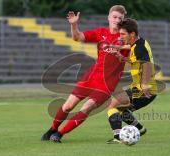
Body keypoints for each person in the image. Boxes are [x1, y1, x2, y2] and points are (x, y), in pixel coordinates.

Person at [41, 5, 128, 143]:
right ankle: (52, 129)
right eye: (114, 17)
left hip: (106, 84)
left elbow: (130, 53)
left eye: (120, 18)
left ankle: (60, 134)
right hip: (90, 77)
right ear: (109, 17)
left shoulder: (126, 37)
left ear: (123, 20)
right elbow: (78, 37)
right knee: (68, 105)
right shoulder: (101, 32)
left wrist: (119, 51)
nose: (116, 20)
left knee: (87, 107)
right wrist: (74, 24)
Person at [106, 18, 158, 144]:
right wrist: (121, 57)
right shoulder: (137, 44)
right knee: (119, 108)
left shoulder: (140, 47)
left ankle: (118, 137)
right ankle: (140, 129)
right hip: (138, 88)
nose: (121, 36)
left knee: (114, 107)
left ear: (132, 34)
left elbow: (146, 65)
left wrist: (145, 84)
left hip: (144, 91)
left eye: (123, 34)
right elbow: (136, 61)